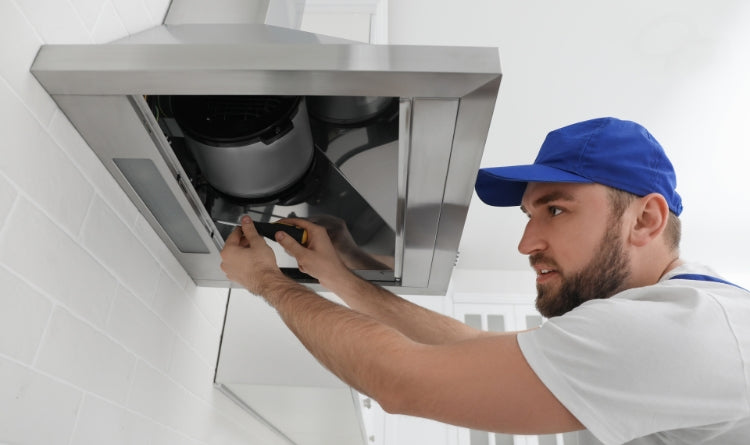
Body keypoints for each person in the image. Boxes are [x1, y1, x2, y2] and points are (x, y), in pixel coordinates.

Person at [220, 117, 750, 444]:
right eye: (528, 215)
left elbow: (403, 382)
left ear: (646, 220)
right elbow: (470, 345)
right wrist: (339, 276)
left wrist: (270, 284)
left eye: (556, 210)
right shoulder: (681, 317)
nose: (526, 243)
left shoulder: (683, 329)